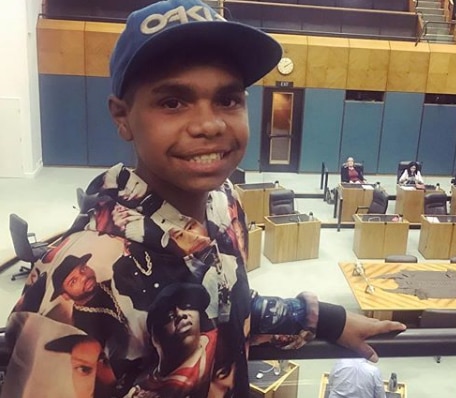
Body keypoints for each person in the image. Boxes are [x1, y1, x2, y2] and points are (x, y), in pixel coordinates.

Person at [2, 0, 406, 396]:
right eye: (173, 102)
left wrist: (326, 320)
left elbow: (224, 306)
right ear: (122, 116)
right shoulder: (74, 280)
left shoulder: (224, 203)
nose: (210, 124)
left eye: (227, 100)